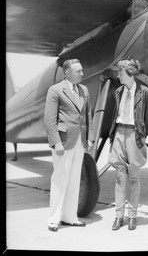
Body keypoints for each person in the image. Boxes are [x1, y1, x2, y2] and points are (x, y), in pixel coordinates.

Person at [44, 59, 94, 232]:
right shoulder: (55, 90)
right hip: (63, 142)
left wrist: (90, 138)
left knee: (74, 180)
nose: (82, 73)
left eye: (81, 70)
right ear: (67, 73)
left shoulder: (84, 90)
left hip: (80, 140)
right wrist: (56, 142)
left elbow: (88, 116)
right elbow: (49, 120)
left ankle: (70, 217)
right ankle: (53, 219)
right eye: (78, 71)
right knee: (59, 180)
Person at [108, 58, 148, 231]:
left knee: (134, 177)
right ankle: (119, 217)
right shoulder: (118, 91)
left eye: (120, 72)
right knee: (120, 177)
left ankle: (133, 216)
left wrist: (140, 136)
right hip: (119, 133)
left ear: (129, 74)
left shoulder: (145, 93)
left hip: (134, 135)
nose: (118, 75)